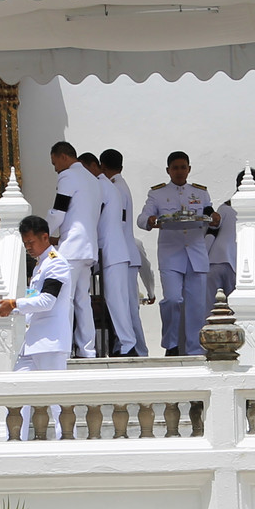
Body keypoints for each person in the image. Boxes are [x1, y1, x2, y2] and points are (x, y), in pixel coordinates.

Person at [0, 214, 73, 439]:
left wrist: (14, 304)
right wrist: (8, 308)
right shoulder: (41, 264)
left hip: (50, 342)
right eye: (25, 243)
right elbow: (34, 301)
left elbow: (47, 301)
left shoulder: (56, 263)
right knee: (18, 392)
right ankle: (15, 440)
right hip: (33, 342)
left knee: (57, 399)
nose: (28, 247)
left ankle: (68, 440)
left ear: (45, 237)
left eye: (31, 242)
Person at [137, 151, 216, 356]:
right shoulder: (157, 193)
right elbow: (142, 218)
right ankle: (171, 344)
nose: (179, 171)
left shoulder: (200, 192)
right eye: (175, 168)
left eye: (183, 167)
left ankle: (195, 350)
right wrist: (150, 220)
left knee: (197, 306)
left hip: (196, 254)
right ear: (168, 170)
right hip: (171, 255)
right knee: (172, 300)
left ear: (189, 169)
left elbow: (209, 212)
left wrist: (214, 217)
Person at [45, 140, 101, 358]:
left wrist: (43, 233)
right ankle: (87, 349)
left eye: (54, 163)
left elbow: (59, 211)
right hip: (88, 248)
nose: (55, 169)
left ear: (63, 157)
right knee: (83, 300)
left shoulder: (68, 176)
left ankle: (64, 348)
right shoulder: (93, 179)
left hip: (72, 246)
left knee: (64, 300)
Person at [100, 149, 149, 356]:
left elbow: (117, 222)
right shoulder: (120, 185)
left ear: (102, 166)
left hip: (123, 255)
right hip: (126, 254)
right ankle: (132, 347)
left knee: (127, 307)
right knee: (127, 306)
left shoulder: (116, 188)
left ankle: (135, 348)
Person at [205, 168, 255, 330]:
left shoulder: (224, 207)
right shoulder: (254, 209)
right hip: (235, 264)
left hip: (214, 260)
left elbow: (211, 232)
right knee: (234, 308)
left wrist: (203, 257)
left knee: (210, 306)